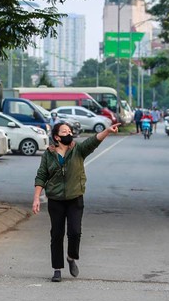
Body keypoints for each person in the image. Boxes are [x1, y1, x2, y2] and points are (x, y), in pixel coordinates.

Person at [32, 120, 121, 282]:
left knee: (75, 232)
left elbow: (93, 141)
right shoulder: (48, 155)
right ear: (56, 137)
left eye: (69, 131)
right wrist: (36, 198)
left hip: (75, 198)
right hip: (55, 200)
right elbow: (41, 176)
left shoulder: (78, 150)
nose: (68, 134)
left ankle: (71, 257)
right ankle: (57, 269)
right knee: (57, 234)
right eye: (64, 132)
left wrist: (107, 131)